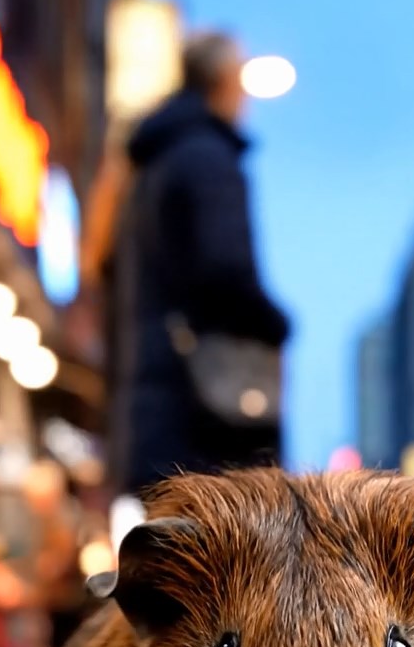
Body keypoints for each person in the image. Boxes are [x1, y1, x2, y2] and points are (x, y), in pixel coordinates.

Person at [107, 31, 291, 502]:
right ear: (224, 81)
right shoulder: (208, 159)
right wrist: (276, 325)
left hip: (157, 399)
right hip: (207, 407)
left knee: (169, 533)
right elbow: (226, 270)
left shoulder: (150, 166)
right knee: (226, 537)